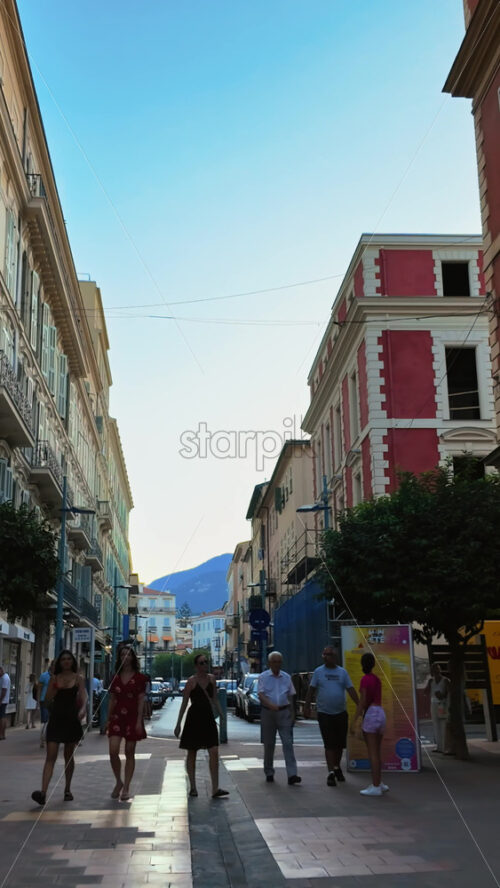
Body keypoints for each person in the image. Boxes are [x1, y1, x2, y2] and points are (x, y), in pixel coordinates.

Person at [31, 650, 87, 806]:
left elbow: (84, 695)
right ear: (59, 663)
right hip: (56, 719)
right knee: (51, 755)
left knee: (69, 756)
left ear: (73, 661)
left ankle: (67, 789)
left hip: (71, 719)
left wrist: (83, 709)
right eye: (63, 659)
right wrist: (54, 689)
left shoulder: (79, 678)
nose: (67, 661)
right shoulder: (54, 679)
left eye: (69, 659)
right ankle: (43, 793)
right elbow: (47, 699)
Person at [174, 653, 228, 798]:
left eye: (206, 662)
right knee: (192, 752)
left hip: (208, 718)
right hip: (194, 719)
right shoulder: (191, 682)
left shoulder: (212, 679)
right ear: (196, 666)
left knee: (214, 751)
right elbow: (184, 703)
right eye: (202, 663)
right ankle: (193, 787)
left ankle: (215, 788)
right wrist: (178, 724)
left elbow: (215, 699)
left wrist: (222, 715)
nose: (205, 665)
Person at [304, 646, 359, 786]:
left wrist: (360, 704)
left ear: (336, 656)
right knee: (329, 744)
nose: (329, 657)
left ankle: (336, 767)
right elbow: (311, 690)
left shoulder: (342, 672)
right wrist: (307, 706)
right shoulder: (318, 672)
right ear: (323, 656)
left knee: (339, 745)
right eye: (327, 655)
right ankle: (331, 773)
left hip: (340, 713)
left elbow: (350, 689)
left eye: (331, 655)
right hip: (324, 713)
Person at [106, 645, 147, 801]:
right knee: (113, 750)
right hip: (117, 716)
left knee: (130, 751)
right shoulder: (115, 677)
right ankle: (118, 781)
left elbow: (141, 700)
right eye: (122, 654)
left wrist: (139, 721)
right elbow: (112, 699)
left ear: (133, 658)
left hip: (132, 716)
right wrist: (107, 719)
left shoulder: (140, 678)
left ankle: (127, 787)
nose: (125, 657)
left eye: (128, 655)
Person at [257, 651, 301, 786]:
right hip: (268, 713)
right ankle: (269, 771)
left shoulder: (286, 677)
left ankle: (292, 774)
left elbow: (290, 696)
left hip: (284, 712)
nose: (277, 664)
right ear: (269, 663)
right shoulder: (263, 677)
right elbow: (261, 694)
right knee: (269, 744)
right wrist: (271, 705)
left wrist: (293, 714)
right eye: (274, 662)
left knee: (288, 743)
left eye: (279, 662)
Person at [350, 651, 388, 797]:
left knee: (372, 753)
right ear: (373, 664)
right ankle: (380, 782)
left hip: (371, 714)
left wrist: (354, 720)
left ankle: (376, 786)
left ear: (362, 665)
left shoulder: (365, 680)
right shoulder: (377, 679)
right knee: (377, 752)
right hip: (380, 712)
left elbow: (363, 702)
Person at [426, 663, 450, 754]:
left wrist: (442, 695)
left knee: (443, 725)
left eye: (437, 669)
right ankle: (439, 747)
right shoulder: (431, 681)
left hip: (442, 704)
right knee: (436, 725)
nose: (436, 671)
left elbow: (449, 692)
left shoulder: (445, 680)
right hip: (433, 704)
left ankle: (444, 747)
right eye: (434, 670)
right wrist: (428, 683)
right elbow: (426, 692)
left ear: (440, 670)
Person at [38, 658, 52, 749]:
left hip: (54, 701)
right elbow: (39, 688)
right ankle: (43, 739)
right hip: (44, 700)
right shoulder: (43, 676)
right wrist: (38, 700)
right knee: (45, 721)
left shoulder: (58, 676)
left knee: (51, 721)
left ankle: (48, 738)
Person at [0, 665, 11, 740]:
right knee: (3, 716)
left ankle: (1, 734)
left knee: (2, 717)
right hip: (4, 700)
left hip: (2, 700)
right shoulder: (5, 676)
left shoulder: (4, 678)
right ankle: (2, 734)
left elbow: (4, 690)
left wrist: (0, 700)